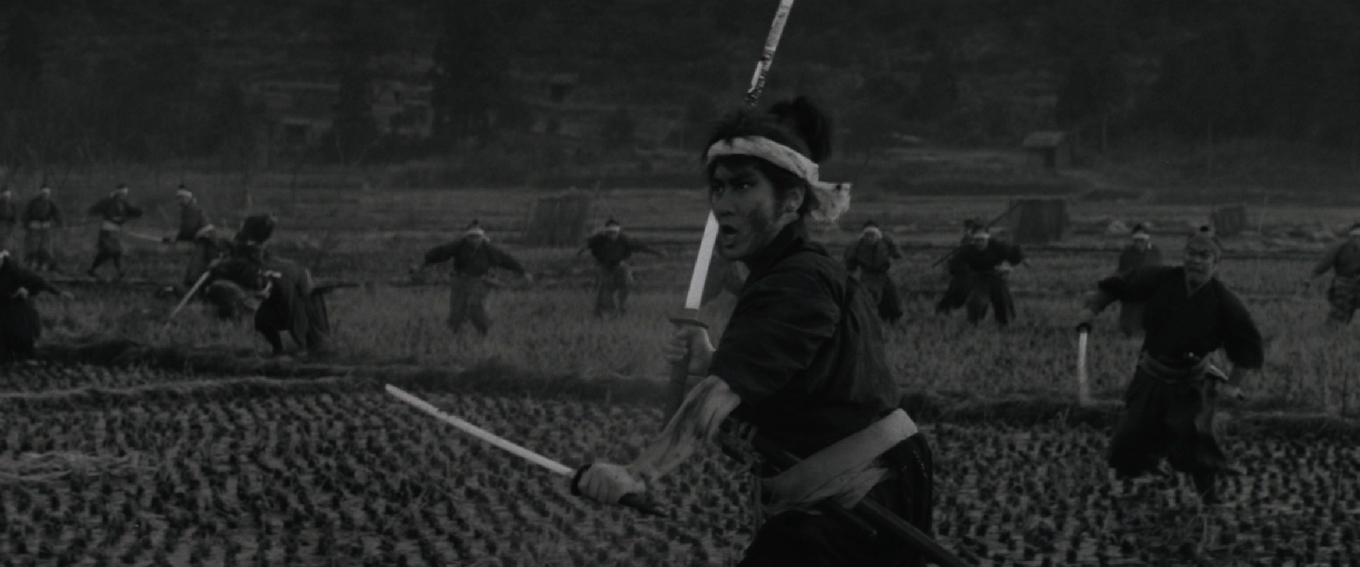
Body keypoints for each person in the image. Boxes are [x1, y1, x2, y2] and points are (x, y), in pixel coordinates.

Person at [575, 97, 933, 567]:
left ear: (791, 200)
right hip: (849, 493)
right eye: (718, 187)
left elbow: (720, 396)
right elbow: (797, 374)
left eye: (744, 186)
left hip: (860, 494)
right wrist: (714, 360)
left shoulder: (797, 280)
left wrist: (639, 473)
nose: (724, 205)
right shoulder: (787, 273)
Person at [1077, 226, 1263, 504]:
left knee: (1194, 443)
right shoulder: (1162, 278)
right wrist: (1091, 310)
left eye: (1204, 256)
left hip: (1191, 381)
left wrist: (1233, 385)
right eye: (1191, 254)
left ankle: (1208, 497)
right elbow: (1120, 285)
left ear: (1215, 263)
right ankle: (1142, 484)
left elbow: (1246, 346)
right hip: (1151, 373)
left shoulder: (1225, 302)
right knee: (1129, 439)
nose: (1196, 261)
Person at [203, 215, 330, 356]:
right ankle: (302, 346)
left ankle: (299, 347)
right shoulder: (272, 259)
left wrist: (221, 263)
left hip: (273, 301)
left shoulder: (244, 258)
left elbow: (243, 263)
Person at [415, 220, 533, 335]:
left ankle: (484, 332)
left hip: (479, 282)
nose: (475, 240)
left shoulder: (488, 249)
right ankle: (456, 336)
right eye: (472, 237)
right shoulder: (459, 245)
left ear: (482, 237)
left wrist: (522, 271)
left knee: (475, 307)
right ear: (467, 237)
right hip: (460, 281)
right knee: (456, 312)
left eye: (477, 237)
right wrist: (424, 264)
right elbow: (441, 252)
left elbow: (505, 259)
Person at [577, 218, 664, 316]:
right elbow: (587, 244)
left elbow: (640, 246)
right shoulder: (599, 240)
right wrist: (580, 251)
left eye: (614, 233)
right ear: (606, 232)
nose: (612, 235)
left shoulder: (624, 240)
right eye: (610, 233)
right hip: (604, 268)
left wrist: (657, 252)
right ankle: (604, 312)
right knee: (605, 290)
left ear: (618, 232)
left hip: (619, 266)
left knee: (626, 282)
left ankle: (622, 307)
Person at [0, 249, 74, 362]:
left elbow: (38, 281)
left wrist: (58, 292)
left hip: (16, 314)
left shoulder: (13, 269)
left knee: (20, 343)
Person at [943, 226, 1024, 326]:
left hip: (995, 278)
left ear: (987, 239)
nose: (980, 243)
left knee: (1003, 302)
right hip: (976, 279)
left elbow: (1014, 256)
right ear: (973, 240)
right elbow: (954, 265)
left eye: (982, 240)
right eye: (977, 240)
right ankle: (973, 324)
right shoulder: (966, 250)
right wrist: (966, 272)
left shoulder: (997, 246)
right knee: (975, 302)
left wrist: (1011, 261)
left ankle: (1005, 325)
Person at [843, 220, 904, 323]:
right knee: (869, 300)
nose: (870, 238)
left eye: (872, 235)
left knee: (893, 299)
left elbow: (898, 255)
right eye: (867, 235)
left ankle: (891, 321)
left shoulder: (886, 242)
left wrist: (894, 248)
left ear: (878, 235)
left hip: (884, 275)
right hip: (868, 276)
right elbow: (850, 265)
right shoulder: (857, 246)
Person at [1305, 222, 1360, 326]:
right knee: (1338, 317)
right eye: (1356, 237)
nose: (1358, 240)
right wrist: (1309, 278)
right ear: (1351, 237)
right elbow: (1323, 265)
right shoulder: (1340, 248)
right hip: (1343, 286)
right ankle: (1331, 333)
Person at [163, 185, 217, 288]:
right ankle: (199, 284)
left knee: (196, 263)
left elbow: (188, 228)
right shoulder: (190, 208)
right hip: (206, 237)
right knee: (203, 263)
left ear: (188, 197)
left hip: (205, 238)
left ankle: (191, 285)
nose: (179, 201)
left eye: (181, 198)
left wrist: (176, 239)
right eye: (178, 198)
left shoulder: (191, 209)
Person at [86, 184, 144, 280]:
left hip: (115, 232)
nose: (124, 196)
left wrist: (138, 212)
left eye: (125, 194)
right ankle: (94, 270)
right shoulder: (109, 202)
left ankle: (118, 272)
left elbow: (130, 210)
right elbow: (95, 209)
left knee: (116, 252)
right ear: (117, 193)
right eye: (122, 194)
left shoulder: (123, 204)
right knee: (109, 251)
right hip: (106, 231)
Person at [1114, 223, 1163, 336]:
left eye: (1142, 241)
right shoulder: (1126, 253)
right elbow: (1122, 271)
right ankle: (1129, 332)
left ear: (1147, 240)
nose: (1139, 243)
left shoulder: (1155, 252)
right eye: (1137, 241)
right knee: (1129, 320)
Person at [934, 218, 981, 315]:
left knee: (957, 290)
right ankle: (943, 308)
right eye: (971, 227)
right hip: (963, 269)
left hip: (964, 268)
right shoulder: (969, 238)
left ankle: (944, 308)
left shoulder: (969, 237)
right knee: (958, 290)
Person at [21, 185, 63, 271]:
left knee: (46, 247)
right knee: (33, 246)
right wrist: (28, 223)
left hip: (45, 227)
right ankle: (32, 263)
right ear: (40, 193)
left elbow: (57, 215)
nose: (45, 195)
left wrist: (53, 223)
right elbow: (26, 214)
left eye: (47, 193)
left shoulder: (50, 203)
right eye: (44, 193)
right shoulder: (33, 203)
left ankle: (44, 264)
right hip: (34, 227)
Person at [0, 187, 16, 253]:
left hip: (9, 225)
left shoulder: (12, 204)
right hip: (2, 224)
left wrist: (13, 222)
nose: (7, 197)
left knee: (8, 241)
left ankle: (6, 252)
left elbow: (14, 214)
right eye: (5, 196)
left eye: (8, 196)